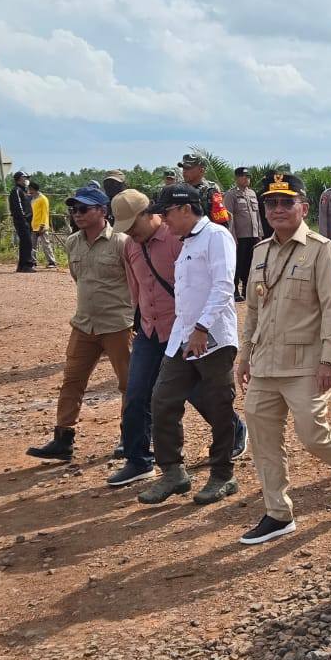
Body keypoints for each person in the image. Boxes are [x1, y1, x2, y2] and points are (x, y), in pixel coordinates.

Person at [235, 174, 331, 545]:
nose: (277, 210)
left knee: (312, 432)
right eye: (270, 204)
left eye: (285, 202)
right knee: (263, 439)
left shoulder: (320, 248)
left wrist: (329, 358)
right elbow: (252, 310)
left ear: (303, 208)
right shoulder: (260, 251)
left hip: (306, 362)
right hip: (264, 362)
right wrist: (243, 355)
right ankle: (278, 513)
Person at [109, 190, 247, 488]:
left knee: (216, 403)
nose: (166, 220)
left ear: (184, 209)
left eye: (168, 212)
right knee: (160, 399)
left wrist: (200, 328)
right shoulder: (183, 242)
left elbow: (224, 286)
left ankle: (223, 474)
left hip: (212, 338)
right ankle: (170, 472)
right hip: (173, 336)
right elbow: (157, 290)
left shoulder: (214, 236)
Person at [26, 184, 133, 461]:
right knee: (72, 381)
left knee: (129, 384)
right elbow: (78, 278)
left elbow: (136, 283)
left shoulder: (122, 242)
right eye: (73, 209)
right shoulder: (73, 242)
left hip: (118, 325)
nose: (77, 214)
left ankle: (131, 437)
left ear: (102, 211)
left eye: (84, 209)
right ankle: (63, 439)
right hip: (84, 325)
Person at [224, 167, 262, 301]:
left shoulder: (252, 193)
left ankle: (247, 289)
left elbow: (257, 216)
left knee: (250, 264)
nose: (247, 179)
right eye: (244, 176)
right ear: (237, 178)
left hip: (252, 234)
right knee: (237, 264)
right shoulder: (231, 194)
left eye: (248, 176)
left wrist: (259, 234)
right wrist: (232, 236)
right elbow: (229, 217)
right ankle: (234, 290)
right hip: (239, 235)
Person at [177, 153, 231, 229]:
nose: (184, 171)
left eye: (188, 168)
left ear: (201, 170)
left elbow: (222, 223)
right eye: (183, 168)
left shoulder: (210, 192)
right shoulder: (177, 191)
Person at [8, 170, 35, 273]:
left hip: (27, 220)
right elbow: (18, 206)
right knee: (27, 242)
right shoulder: (16, 191)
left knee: (25, 242)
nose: (27, 180)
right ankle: (27, 265)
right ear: (19, 179)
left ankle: (22, 266)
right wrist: (23, 217)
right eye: (25, 177)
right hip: (21, 220)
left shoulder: (24, 191)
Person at [28, 181, 57, 269]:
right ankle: (33, 262)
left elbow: (45, 213)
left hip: (42, 226)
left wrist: (42, 225)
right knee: (32, 245)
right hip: (34, 225)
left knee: (46, 244)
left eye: (30, 189)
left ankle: (51, 261)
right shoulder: (33, 199)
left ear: (33, 189)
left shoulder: (43, 199)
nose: (29, 191)